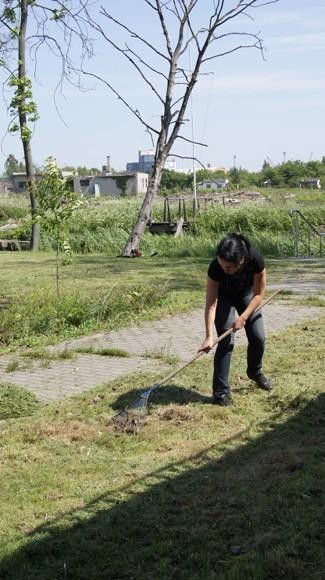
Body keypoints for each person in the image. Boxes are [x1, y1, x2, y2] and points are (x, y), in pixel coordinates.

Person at [199, 232, 272, 406]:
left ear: (241, 260)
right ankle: (221, 394)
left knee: (258, 337)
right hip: (224, 298)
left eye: (229, 268)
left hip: (247, 295)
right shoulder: (215, 267)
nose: (225, 270)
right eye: (222, 265)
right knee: (226, 342)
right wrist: (209, 336)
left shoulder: (255, 260)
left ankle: (254, 372)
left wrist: (244, 317)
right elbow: (211, 304)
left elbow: (259, 294)